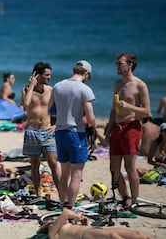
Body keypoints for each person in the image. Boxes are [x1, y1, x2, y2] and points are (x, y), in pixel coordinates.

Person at [105, 53, 151, 208]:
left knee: (130, 167)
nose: (117, 66)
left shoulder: (140, 85)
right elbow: (114, 108)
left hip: (131, 127)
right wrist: (108, 128)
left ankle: (135, 199)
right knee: (114, 168)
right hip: (117, 129)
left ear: (130, 65)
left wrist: (129, 106)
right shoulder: (117, 84)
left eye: (120, 63)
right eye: (116, 63)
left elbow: (147, 112)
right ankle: (125, 197)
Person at [50, 60, 95, 208]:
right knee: (77, 174)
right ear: (86, 73)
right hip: (76, 133)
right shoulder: (84, 89)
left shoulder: (58, 86)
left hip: (60, 133)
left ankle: (63, 203)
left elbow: (50, 110)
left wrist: (63, 114)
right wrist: (92, 127)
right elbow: (90, 117)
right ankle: (70, 205)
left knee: (65, 173)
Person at [21, 62, 60, 196]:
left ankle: (62, 196)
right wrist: (32, 85)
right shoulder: (26, 90)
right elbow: (25, 104)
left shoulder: (51, 90)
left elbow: (61, 109)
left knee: (53, 163)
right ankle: (38, 194)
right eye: (47, 75)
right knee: (34, 165)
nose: (49, 77)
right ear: (38, 75)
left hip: (47, 130)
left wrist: (56, 125)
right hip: (32, 131)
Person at [37, 208, 154, 239]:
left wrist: (85, 224)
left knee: (138, 234)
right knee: (113, 237)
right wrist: (77, 216)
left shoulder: (60, 230)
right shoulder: (53, 233)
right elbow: (65, 213)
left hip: (89, 231)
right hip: (86, 235)